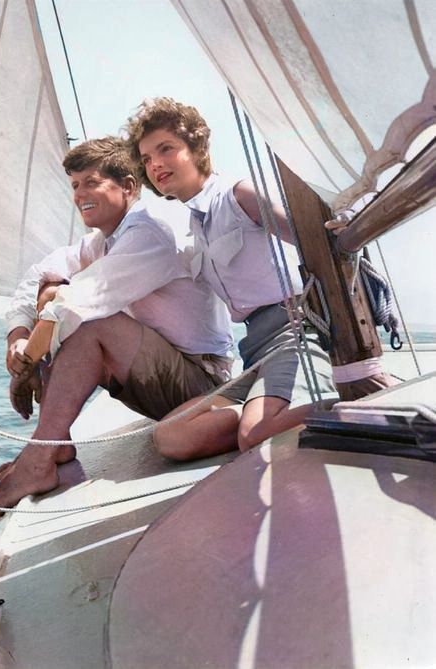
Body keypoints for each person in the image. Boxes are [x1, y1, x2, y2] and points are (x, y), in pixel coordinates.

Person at [0, 136, 233, 525]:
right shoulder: (101, 242)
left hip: (202, 386)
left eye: (91, 182)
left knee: (85, 317)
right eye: (75, 185)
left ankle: (39, 458)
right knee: (50, 292)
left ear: (128, 187)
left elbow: (79, 302)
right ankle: (54, 448)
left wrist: (27, 365)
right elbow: (36, 279)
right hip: (160, 383)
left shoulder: (150, 232)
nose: (80, 194)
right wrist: (17, 335)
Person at [124, 97, 336, 461]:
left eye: (166, 149)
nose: (155, 163)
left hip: (294, 332)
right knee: (171, 436)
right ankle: (265, 411)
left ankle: (356, 400)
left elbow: (318, 239)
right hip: (254, 348)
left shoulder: (239, 195)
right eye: (146, 158)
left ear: (197, 149)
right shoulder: (194, 222)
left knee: (255, 436)